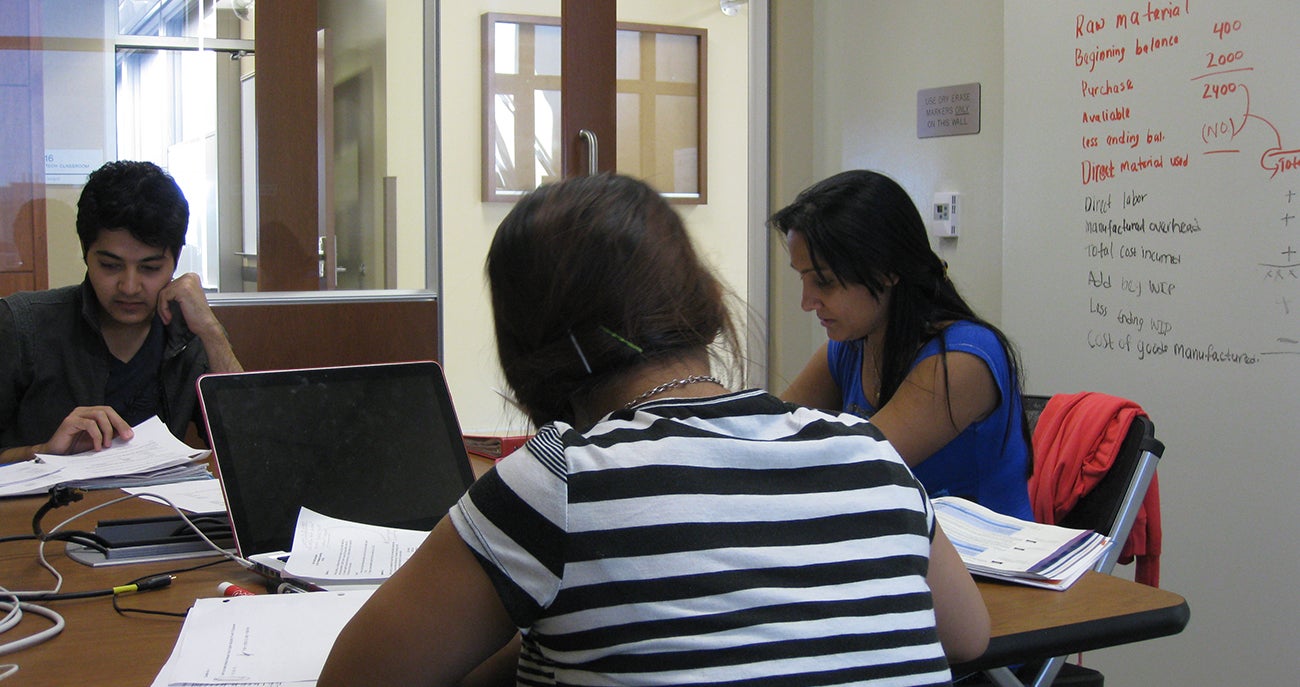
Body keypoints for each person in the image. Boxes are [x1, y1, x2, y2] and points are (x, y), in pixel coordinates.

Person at [319, 173, 989, 687]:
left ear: (530, 345)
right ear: (703, 301)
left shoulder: (558, 481)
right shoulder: (870, 456)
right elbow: (968, 636)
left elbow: (353, 678)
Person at [770, 169, 1034, 520]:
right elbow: (771, 434)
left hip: (983, 567)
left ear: (887, 271)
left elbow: (854, 472)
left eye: (824, 281)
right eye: (802, 278)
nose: (807, 301)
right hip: (900, 551)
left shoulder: (961, 361)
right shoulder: (850, 347)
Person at [0, 160, 242, 464]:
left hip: (157, 509)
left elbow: (248, 444)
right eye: (111, 266)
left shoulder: (188, 334)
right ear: (86, 254)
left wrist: (211, 330)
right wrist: (45, 451)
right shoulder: (23, 326)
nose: (129, 287)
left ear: (176, 260)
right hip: (49, 509)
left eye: (150, 268)